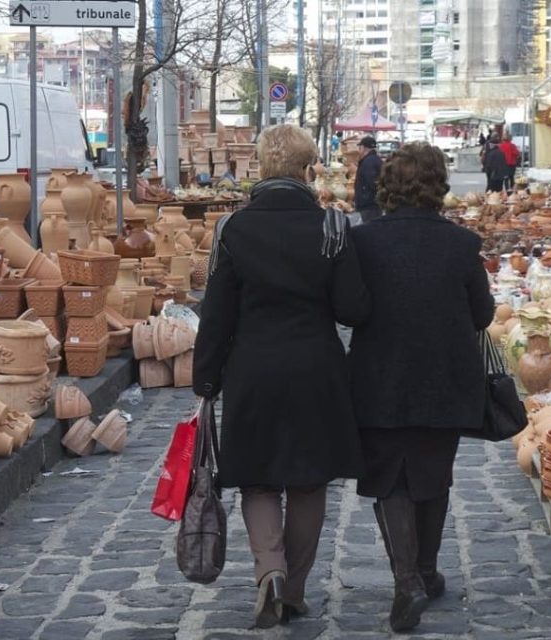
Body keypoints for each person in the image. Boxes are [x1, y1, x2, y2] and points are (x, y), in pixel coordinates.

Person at [192, 124, 371, 629]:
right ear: (308, 167)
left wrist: (206, 380)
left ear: (262, 166)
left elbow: (216, 314)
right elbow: (353, 308)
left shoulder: (232, 229)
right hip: (315, 367)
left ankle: (269, 569)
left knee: (259, 478)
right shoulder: (332, 226)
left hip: (252, 368)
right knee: (309, 481)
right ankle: (293, 590)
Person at [347, 141, 495, 632]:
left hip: (380, 375)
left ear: (388, 185)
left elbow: (351, 308)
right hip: (445, 376)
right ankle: (426, 572)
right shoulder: (461, 243)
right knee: (433, 473)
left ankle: (407, 578)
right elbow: (482, 314)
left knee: (390, 477)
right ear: (437, 185)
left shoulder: (363, 242)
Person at [354, 135, 384, 223]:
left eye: (360, 147)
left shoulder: (368, 162)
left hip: (368, 205)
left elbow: (372, 183)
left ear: (363, 148)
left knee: (368, 225)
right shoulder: (376, 160)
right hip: (374, 204)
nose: (359, 150)